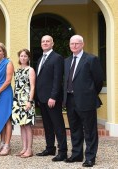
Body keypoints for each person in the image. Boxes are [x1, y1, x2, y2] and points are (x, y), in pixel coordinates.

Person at [63, 35, 104, 167]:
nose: (74, 46)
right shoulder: (67, 61)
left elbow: (98, 81)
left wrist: (90, 93)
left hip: (86, 100)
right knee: (74, 129)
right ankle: (76, 155)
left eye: (77, 43)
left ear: (82, 44)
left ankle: (90, 158)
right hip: (70, 100)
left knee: (89, 130)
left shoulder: (91, 59)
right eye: (72, 44)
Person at [35, 35, 67, 162]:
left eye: (48, 41)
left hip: (52, 99)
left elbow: (57, 79)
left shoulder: (57, 58)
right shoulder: (40, 59)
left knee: (58, 125)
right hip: (42, 99)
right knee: (47, 125)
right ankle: (50, 148)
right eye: (43, 41)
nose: (45, 43)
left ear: (52, 43)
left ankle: (63, 151)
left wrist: (53, 96)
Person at [12, 49, 36, 158]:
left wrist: (30, 101)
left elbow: (32, 87)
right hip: (17, 101)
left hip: (26, 100)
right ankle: (24, 148)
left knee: (27, 125)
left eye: (25, 56)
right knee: (21, 125)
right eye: (21, 56)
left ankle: (29, 150)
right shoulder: (17, 70)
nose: (23, 58)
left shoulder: (30, 70)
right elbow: (16, 86)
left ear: (28, 58)